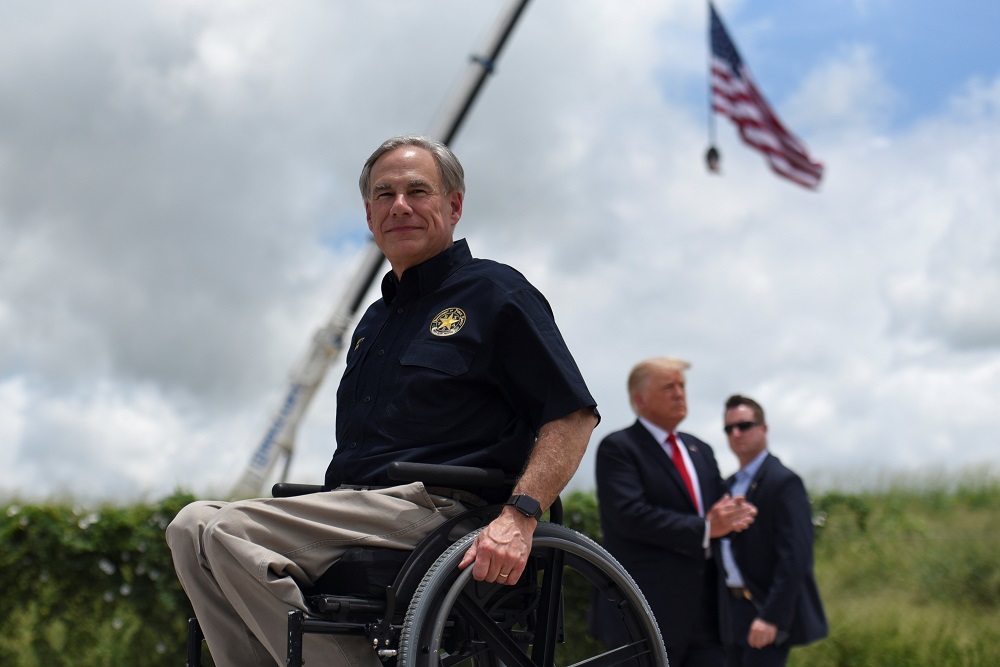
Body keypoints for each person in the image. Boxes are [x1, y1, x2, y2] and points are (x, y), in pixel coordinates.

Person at [166, 135, 599, 667]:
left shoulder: (495, 292)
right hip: (356, 507)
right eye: (384, 194)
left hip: (439, 512)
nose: (400, 205)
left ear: (454, 205)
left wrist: (520, 515)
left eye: (418, 191)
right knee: (189, 526)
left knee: (228, 530)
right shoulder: (373, 323)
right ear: (369, 215)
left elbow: (573, 416)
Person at [591, 358, 756, 667]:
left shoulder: (700, 450)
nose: (680, 394)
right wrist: (706, 529)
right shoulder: (619, 448)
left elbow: (718, 507)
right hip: (645, 613)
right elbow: (630, 516)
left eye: (682, 386)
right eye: (669, 387)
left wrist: (735, 512)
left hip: (707, 614)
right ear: (639, 400)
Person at [719, 394, 828, 667]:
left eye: (744, 425)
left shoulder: (784, 482)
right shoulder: (727, 485)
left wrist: (771, 616)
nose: (736, 433)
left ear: (763, 428)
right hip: (729, 610)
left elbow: (796, 557)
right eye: (729, 428)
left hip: (763, 608)